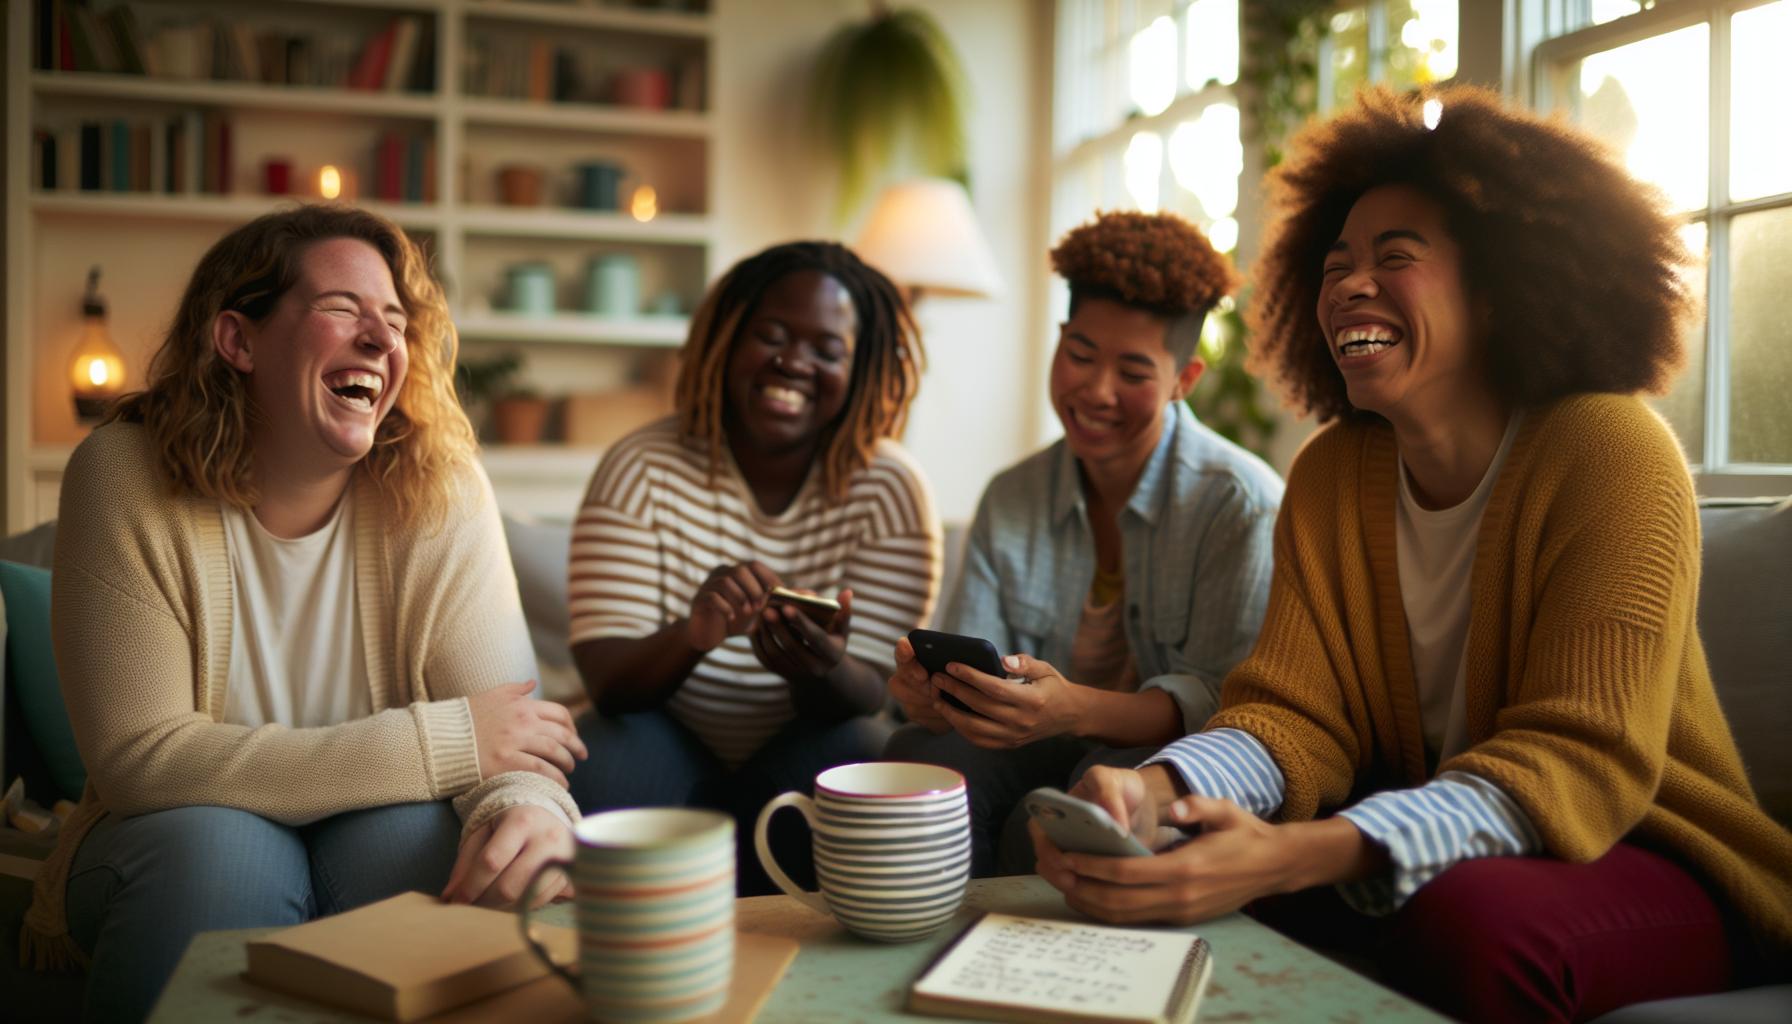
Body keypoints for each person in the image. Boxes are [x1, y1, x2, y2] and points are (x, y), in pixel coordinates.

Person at [1033, 86, 1792, 1023]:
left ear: (1499, 286)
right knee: (1190, 855)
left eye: (1396, 257)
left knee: (1467, 919)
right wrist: (1160, 791)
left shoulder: (1612, 452)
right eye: (1336, 264)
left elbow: (1580, 758)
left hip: (1650, 850)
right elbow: (1291, 717)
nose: (1350, 285)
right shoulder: (1330, 475)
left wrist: (1300, 853)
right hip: (1441, 839)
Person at [20, 206, 586, 1022]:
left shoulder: (441, 485)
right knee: (221, 849)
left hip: (376, 820)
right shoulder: (120, 473)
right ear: (238, 341)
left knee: (430, 845)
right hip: (175, 829)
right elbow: (141, 759)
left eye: (395, 322)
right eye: (341, 309)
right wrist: (445, 743)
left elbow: (509, 736)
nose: (382, 340)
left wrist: (524, 811)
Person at [886, 211, 1282, 877]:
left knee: (1069, 810)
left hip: (1165, 761)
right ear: (1060, 342)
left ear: (1185, 380)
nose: (1097, 391)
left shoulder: (1238, 505)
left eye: (1133, 372)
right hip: (1032, 744)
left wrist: (1074, 710)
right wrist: (934, 698)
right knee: (918, 761)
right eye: (1080, 355)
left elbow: (1224, 707)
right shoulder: (1013, 496)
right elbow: (972, 671)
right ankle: (930, 937)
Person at [565, 241, 940, 895]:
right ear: (726, 341)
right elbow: (608, 682)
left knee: (867, 749)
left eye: (827, 350)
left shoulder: (891, 490)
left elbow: (873, 696)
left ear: (860, 369)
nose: (793, 362)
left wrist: (821, 668)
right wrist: (693, 636)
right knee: (599, 752)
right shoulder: (639, 467)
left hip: (808, 747)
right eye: (771, 335)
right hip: (663, 738)